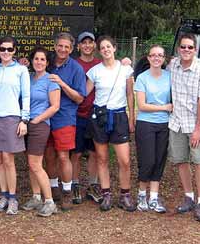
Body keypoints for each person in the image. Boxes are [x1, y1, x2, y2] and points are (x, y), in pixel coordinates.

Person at [0, 36, 30, 215]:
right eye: (3, 49)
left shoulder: (21, 70)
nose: (6, 52)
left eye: (10, 49)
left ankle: (13, 198)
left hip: (11, 117)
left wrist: (24, 119)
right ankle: (3, 195)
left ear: (15, 51)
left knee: (8, 159)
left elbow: (25, 96)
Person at [86, 35, 135, 212]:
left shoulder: (125, 69)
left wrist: (131, 118)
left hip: (119, 115)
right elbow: (84, 92)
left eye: (109, 46)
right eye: (102, 48)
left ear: (114, 48)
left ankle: (125, 195)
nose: (106, 50)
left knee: (124, 160)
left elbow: (130, 94)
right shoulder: (94, 71)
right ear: (99, 51)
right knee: (102, 158)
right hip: (100, 116)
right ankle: (106, 194)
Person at [168, 33, 200, 221]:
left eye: (190, 47)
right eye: (183, 47)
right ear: (179, 49)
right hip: (176, 123)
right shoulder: (173, 65)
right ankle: (189, 197)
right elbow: (154, 61)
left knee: (199, 162)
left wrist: (197, 128)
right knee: (181, 161)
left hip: (194, 124)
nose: (186, 50)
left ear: (195, 49)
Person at [44, 32, 87, 211]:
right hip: (46, 116)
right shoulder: (47, 63)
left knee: (63, 156)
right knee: (49, 155)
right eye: (60, 46)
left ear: (71, 49)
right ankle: (53, 189)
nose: (63, 49)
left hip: (65, 117)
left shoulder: (76, 68)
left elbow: (79, 98)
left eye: (67, 47)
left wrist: (62, 84)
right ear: (55, 46)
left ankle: (67, 191)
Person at [21, 47, 61, 217]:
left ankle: (50, 201)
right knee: (31, 164)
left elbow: (55, 106)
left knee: (36, 164)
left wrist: (37, 120)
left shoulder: (50, 80)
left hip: (40, 124)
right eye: (36, 59)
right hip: (26, 123)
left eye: (42, 59)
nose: (39, 62)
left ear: (47, 63)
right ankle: (36, 197)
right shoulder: (28, 78)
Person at [134, 45, 172, 213]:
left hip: (164, 124)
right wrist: (164, 107)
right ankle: (142, 195)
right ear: (148, 58)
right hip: (146, 123)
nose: (156, 58)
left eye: (160, 55)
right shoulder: (142, 78)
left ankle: (154, 198)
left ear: (164, 59)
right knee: (147, 160)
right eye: (153, 55)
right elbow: (142, 105)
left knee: (159, 160)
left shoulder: (169, 77)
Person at [70, 31, 103, 204]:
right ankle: (75, 185)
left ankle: (92, 185)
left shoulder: (100, 64)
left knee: (94, 152)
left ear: (94, 45)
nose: (87, 45)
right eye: (84, 43)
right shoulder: (74, 64)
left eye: (90, 42)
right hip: (77, 114)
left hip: (96, 114)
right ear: (79, 46)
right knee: (75, 153)